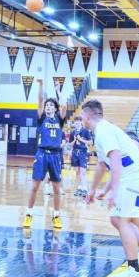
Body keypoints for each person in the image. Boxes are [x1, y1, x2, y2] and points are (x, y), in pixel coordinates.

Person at [81, 100, 139, 277]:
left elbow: (116, 160)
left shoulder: (103, 130)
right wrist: (96, 190)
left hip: (135, 177)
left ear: (87, 115)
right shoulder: (102, 131)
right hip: (136, 176)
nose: (81, 119)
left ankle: (134, 270)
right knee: (117, 219)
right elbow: (104, 165)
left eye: (81, 116)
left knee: (120, 219)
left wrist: (114, 191)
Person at [23, 78, 67, 230]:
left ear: (55, 108)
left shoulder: (59, 120)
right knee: (35, 186)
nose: (48, 107)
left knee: (56, 189)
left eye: (50, 105)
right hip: (42, 154)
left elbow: (65, 105)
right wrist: (41, 85)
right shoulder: (41, 118)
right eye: (47, 105)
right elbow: (40, 99)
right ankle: (28, 214)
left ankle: (56, 216)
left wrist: (58, 90)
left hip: (55, 155)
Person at [69, 116, 92, 197]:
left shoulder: (85, 131)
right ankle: (79, 188)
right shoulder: (72, 132)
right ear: (74, 123)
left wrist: (81, 139)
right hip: (75, 153)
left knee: (83, 172)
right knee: (77, 172)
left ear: (81, 122)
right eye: (75, 122)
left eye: (78, 121)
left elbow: (90, 142)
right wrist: (75, 140)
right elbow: (70, 144)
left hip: (83, 152)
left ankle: (85, 188)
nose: (77, 123)